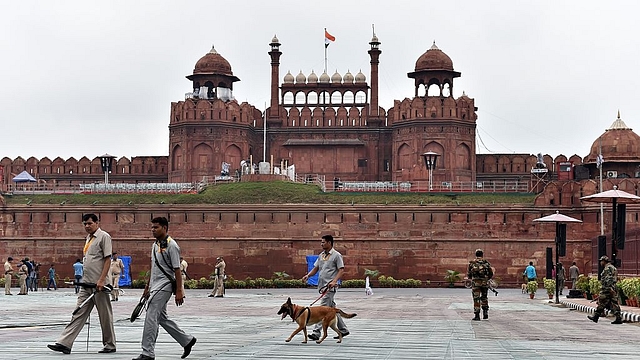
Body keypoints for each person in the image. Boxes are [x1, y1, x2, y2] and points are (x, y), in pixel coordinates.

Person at [47, 213, 116, 354]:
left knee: (105, 315)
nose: (87, 226)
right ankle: (65, 343)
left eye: (90, 223)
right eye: (85, 224)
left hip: (99, 285)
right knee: (78, 312)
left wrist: (102, 280)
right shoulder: (88, 238)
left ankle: (110, 344)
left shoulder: (104, 237)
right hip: (86, 283)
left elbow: (107, 260)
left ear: (97, 223)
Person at [133, 216, 196, 360]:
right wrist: (147, 286)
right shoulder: (155, 245)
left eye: (156, 227)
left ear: (165, 228)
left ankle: (147, 352)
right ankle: (187, 340)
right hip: (155, 285)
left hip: (165, 285)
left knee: (151, 316)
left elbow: (177, 270)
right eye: (152, 227)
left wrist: (179, 291)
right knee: (161, 317)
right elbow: (153, 266)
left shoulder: (172, 245)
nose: (153, 230)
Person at [302, 234, 349, 341]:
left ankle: (316, 332)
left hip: (330, 287)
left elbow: (341, 269)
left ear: (329, 243)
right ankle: (344, 330)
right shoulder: (321, 255)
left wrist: (334, 281)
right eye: (321, 242)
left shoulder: (336, 255)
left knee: (322, 309)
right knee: (332, 309)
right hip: (322, 286)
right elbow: (316, 268)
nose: (321, 244)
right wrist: (308, 276)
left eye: (323, 242)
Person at [588, 256, 622, 324]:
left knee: (601, 302)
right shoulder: (613, 268)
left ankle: (596, 316)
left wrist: (608, 288)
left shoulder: (607, 268)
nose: (600, 263)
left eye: (601, 261)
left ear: (604, 261)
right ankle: (618, 318)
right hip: (612, 288)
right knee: (614, 303)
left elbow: (608, 279)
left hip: (607, 289)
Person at [467, 249, 494, 320]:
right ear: (482, 255)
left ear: (476, 255)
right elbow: (491, 273)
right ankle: (485, 312)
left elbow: (469, 274)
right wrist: (487, 279)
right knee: (484, 297)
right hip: (484, 283)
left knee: (476, 298)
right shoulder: (486, 263)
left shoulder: (472, 263)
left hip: (476, 283)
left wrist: (472, 278)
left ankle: (477, 315)